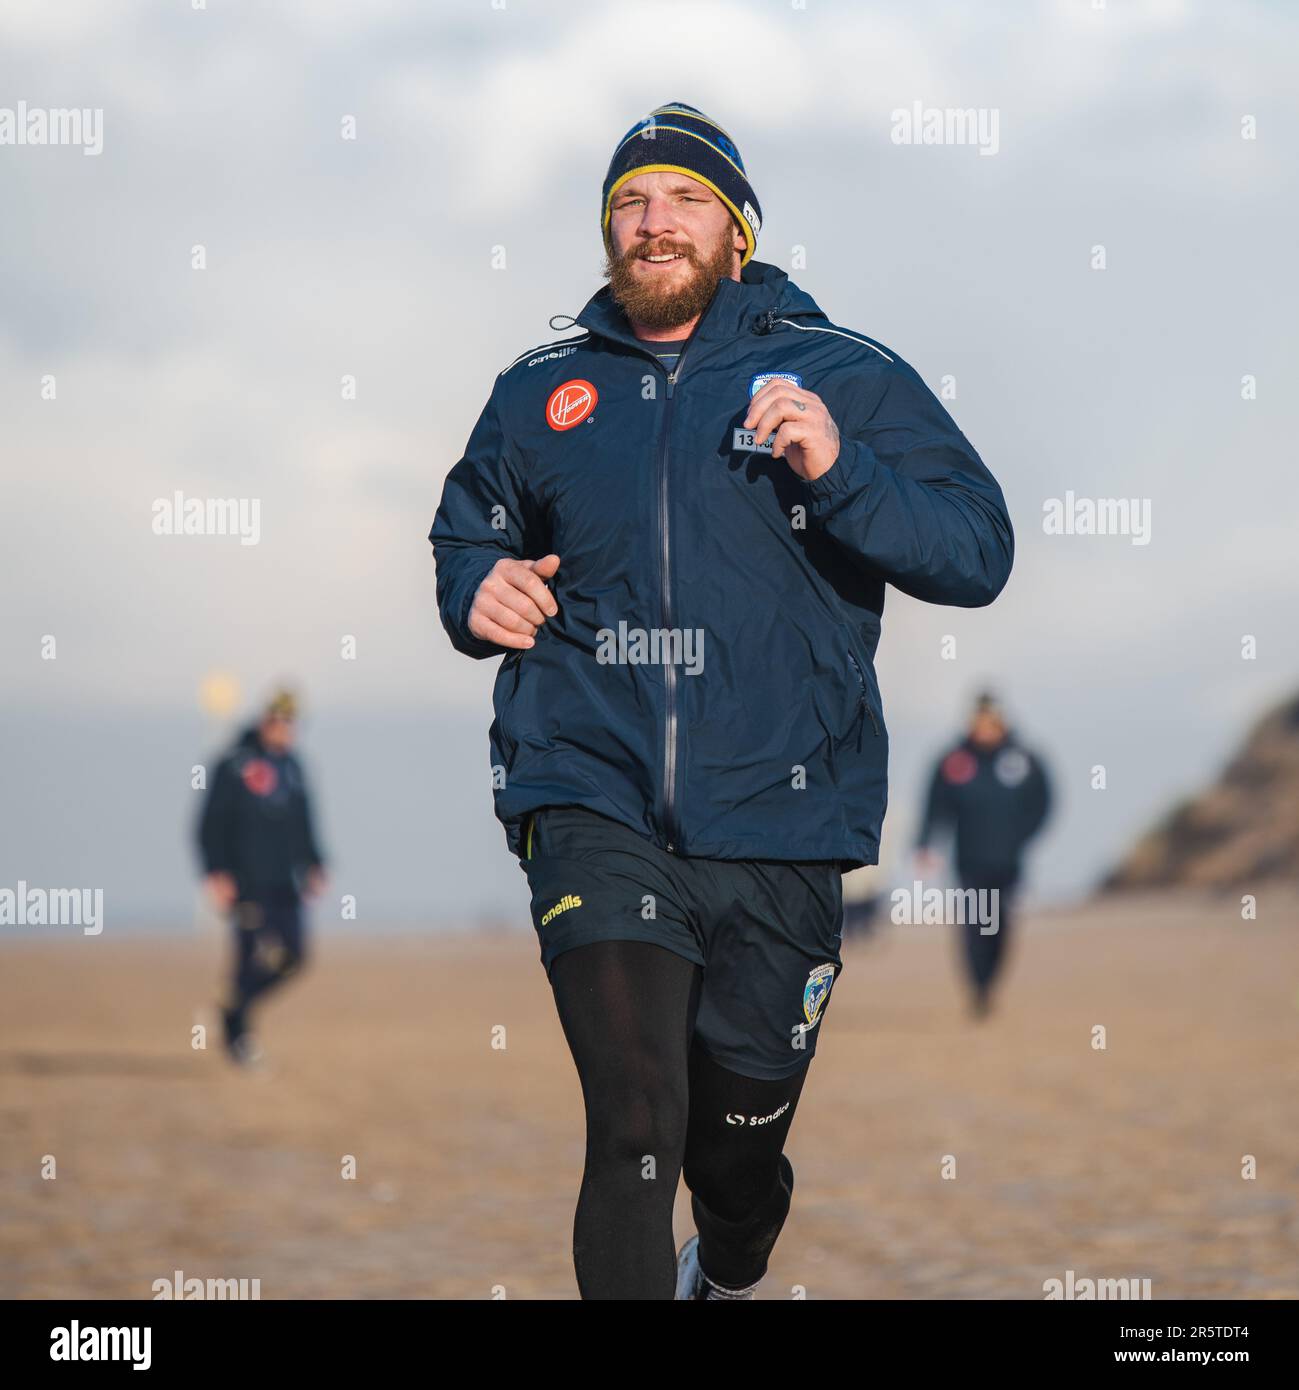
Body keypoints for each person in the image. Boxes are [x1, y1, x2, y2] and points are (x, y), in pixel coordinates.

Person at [430, 101, 1013, 1299]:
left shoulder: (847, 371)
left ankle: (733, 1258)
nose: (653, 224)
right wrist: (474, 583)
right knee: (636, 1119)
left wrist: (841, 467)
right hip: (590, 793)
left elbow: (977, 550)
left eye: (684, 200)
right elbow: (468, 531)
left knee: (733, 1154)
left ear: (737, 231)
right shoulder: (540, 391)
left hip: (784, 822)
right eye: (628, 205)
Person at [196, 689, 327, 1064]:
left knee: (294, 956)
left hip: (285, 883)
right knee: (248, 956)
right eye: (277, 720)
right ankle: (239, 1038)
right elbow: (209, 824)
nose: (284, 728)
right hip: (246, 882)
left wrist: (314, 863)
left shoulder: (294, 767)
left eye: (291, 722)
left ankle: (232, 1008)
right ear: (263, 720)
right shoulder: (233, 764)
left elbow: (304, 823)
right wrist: (216, 872)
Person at [915, 692, 1051, 1017]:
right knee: (976, 924)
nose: (986, 728)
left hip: (1008, 861)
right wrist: (925, 844)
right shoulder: (954, 762)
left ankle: (990, 980)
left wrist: (1023, 836)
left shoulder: (1023, 759)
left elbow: (1043, 802)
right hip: (970, 861)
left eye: (992, 722)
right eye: (980, 722)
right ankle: (978, 986)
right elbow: (935, 806)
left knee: (1001, 925)